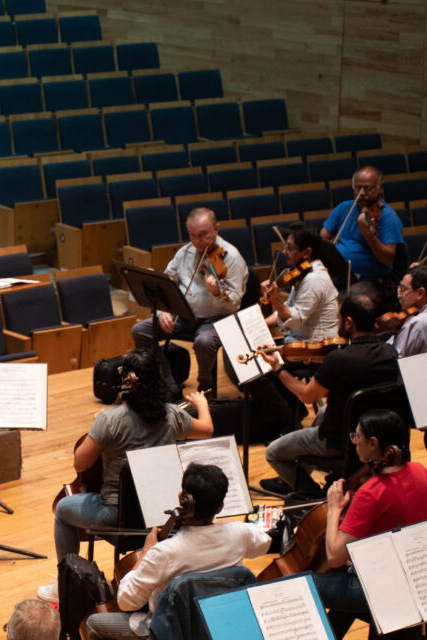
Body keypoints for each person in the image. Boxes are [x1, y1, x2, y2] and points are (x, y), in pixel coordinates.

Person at [40, 349, 213, 602]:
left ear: (128, 381)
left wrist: (98, 428)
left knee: (64, 509)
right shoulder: (172, 415)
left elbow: (80, 463)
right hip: (162, 516)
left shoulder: (110, 420)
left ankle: (66, 584)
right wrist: (203, 404)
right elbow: (207, 429)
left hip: (118, 516)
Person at [83, 463, 271, 640]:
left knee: (93, 623)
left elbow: (126, 601)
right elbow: (265, 542)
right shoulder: (240, 534)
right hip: (218, 623)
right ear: (220, 507)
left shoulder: (164, 552)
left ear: (182, 497)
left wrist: (147, 551)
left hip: (174, 630)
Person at [311, 410, 427, 636]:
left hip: (378, 588)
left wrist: (334, 509)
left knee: (298, 583)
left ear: (373, 443)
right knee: (341, 603)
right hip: (416, 579)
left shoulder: (370, 492)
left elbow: (334, 556)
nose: (354, 442)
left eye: (357, 436)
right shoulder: (419, 471)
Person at [258, 295, 401, 497]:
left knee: (272, 452)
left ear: (349, 323)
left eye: (339, 319)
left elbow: (307, 396)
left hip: (337, 440)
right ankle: (328, 477)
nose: (338, 323)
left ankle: (311, 495)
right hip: (373, 434)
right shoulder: (390, 353)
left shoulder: (339, 359)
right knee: (324, 410)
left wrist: (277, 368)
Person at [130, 207, 249, 399]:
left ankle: (205, 388)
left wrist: (219, 293)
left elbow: (234, 302)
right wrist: (163, 312)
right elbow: (166, 284)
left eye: (203, 235)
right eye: (192, 235)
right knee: (140, 330)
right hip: (186, 315)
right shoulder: (184, 253)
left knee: (203, 342)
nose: (197, 242)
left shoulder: (232, 257)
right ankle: (166, 383)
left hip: (218, 319)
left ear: (216, 229)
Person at [321, 166, 404, 284]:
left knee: (347, 301)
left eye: (368, 188)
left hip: (371, 281)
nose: (362, 193)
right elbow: (322, 239)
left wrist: (370, 236)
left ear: (379, 189)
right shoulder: (344, 207)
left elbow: (387, 260)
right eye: (358, 188)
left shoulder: (388, 217)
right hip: (340, 275)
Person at [261, 224, 339, 343]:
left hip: (316, 348)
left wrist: (275, 299)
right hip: (301, 340)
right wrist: (262, 323)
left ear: (307, 252)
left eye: (289, 248)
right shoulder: (302, 273)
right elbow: (288, 308)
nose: (284, 251)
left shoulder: (314, 278)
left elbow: (296, 320)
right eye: (285, 247)